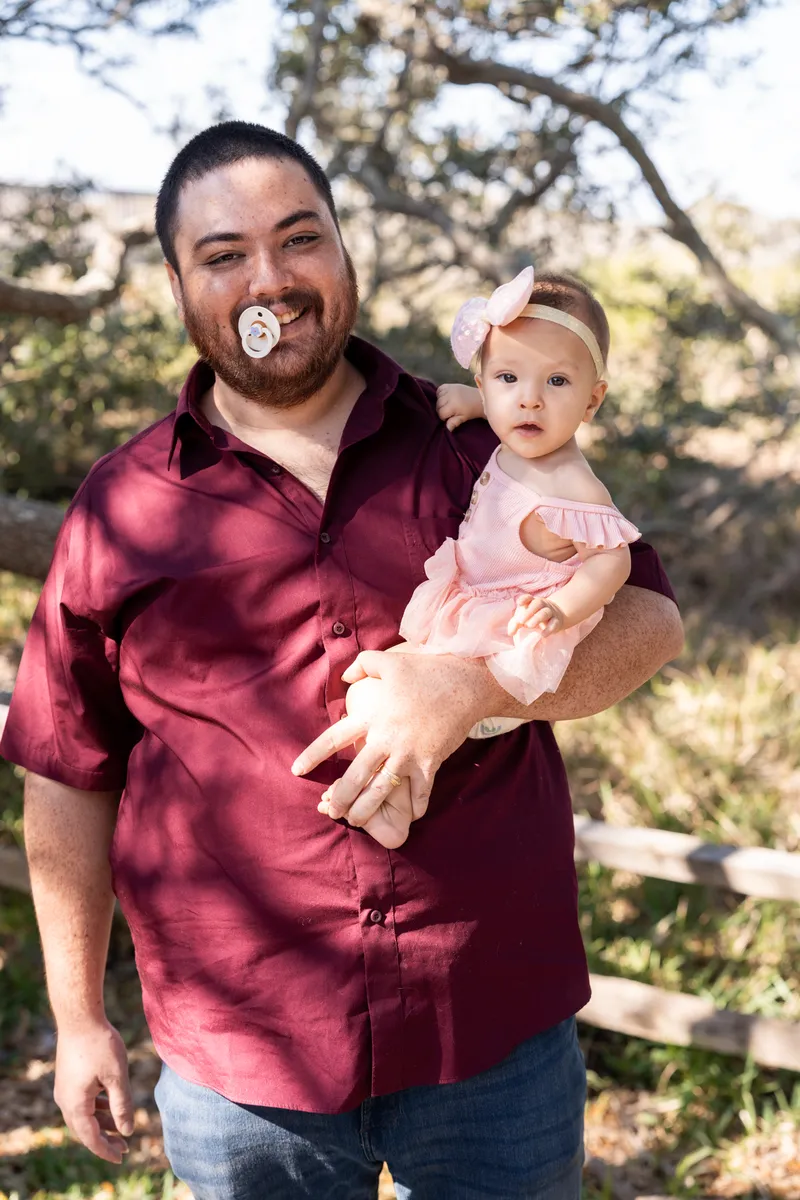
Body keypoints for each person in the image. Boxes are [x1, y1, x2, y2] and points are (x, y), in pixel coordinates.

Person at [0, 121, 683, 1199]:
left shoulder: (483, 439)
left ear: (343, 253)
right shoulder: (120, 507)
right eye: (224, 254)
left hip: (489, 1042)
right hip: (240, 1072)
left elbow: (647, 618)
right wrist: (79, 1019)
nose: (271, 277)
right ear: (180, 285)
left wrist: (472, 687)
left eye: (298, 237)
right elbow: (65, 771)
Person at [319, 265, 642, 849]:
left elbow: (612, 563)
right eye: (508, 378)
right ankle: (390, 794)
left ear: (593, 400)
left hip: (506, 630)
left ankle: (397, 803)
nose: (530, 401)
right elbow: (509, 410)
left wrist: (561, 610)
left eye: (558, 384)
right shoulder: (514, 427)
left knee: (412, 714)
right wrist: (475, 401)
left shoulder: (573, 486)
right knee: (391, 695)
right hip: (473, 600)